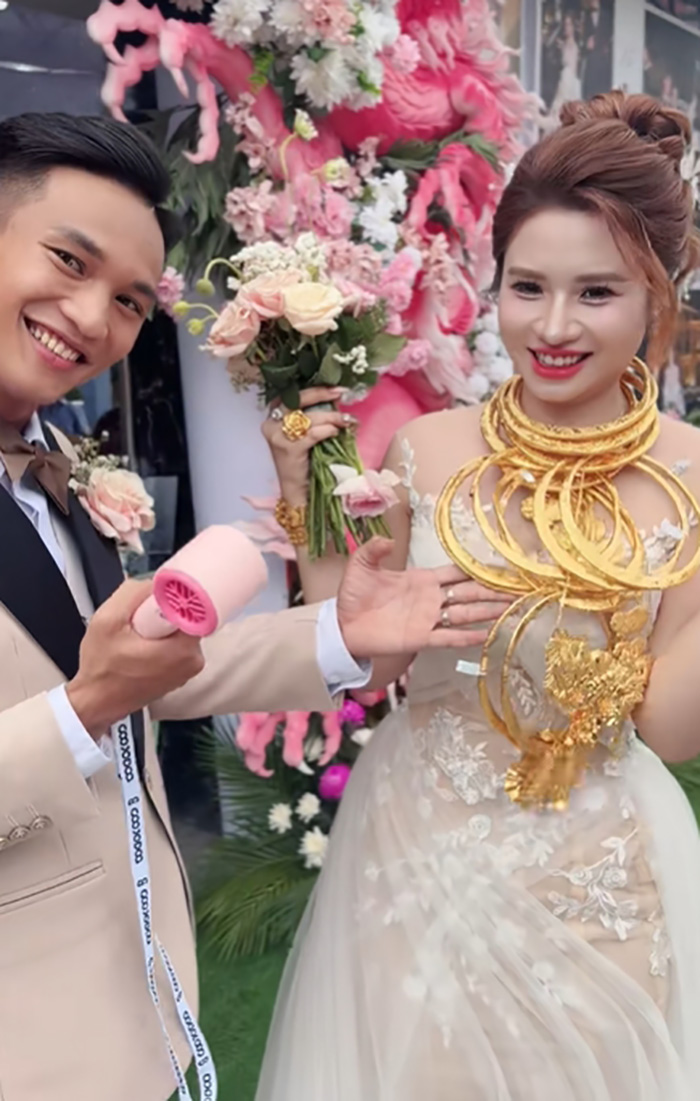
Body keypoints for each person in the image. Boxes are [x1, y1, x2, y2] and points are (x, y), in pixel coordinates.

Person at [0, 112, 497, 1101]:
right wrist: (83, 710)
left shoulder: (56, 463)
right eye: (68, 260)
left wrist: (339, 632)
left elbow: (134, 673)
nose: (92, 317)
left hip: (128, 1013)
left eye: (130, 301)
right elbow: (93, 695)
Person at [257, 91, 700, 1099]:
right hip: (418, 847)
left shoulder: (690, 472)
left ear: (656, 296)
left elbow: (672, 729)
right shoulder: (428, 447)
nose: (552, 326)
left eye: (597, 293)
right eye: (526, 286)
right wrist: (301, 495)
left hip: (597, 866)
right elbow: (366, 656)